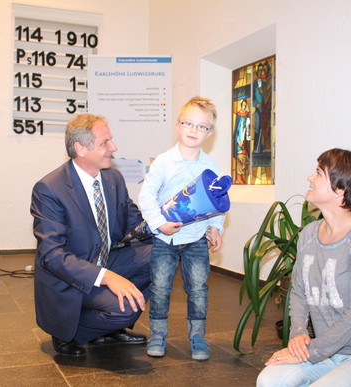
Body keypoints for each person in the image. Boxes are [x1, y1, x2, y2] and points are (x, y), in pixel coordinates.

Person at [257, 148, 351, 386]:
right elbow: (299, 292)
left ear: (340, 190)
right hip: (327, 351)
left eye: (318, 173)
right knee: (269, 380)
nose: (310, 178)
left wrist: (311, 352)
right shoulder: (309, 234)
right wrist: (298, 336)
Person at [30, 113, 151, 357]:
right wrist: (107, 277)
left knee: (163, 254)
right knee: (125, 309)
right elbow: (52, 256)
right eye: (105, 143)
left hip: (107, 260)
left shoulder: (113, 178)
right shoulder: (49, 190)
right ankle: (70, 332)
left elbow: (133, 221)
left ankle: (108, 326)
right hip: (70, 278)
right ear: (80, 148)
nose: (113, 148)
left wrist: (164, 224)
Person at [138, 96, 225, 361]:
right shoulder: (164, 161)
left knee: (198, 289)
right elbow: (146, 196)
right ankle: (158, 335)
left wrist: (215, 227)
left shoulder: (210, 165)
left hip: (196, 238)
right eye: (188, 123)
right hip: (165, 239)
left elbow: (217, 202)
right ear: (178, 125)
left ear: (209, 133)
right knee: (161, 288)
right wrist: (159, 224)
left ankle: (198, 337)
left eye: (201, 126)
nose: (193, 130)